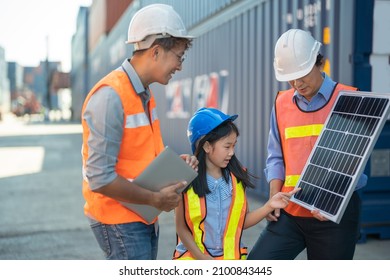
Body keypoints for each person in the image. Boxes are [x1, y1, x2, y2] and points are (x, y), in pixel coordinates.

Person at [81, 4, 197, 260]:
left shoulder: (143, 94)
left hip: (139, 214)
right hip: (119, 220)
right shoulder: (111, 96)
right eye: (179, 57)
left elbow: (137, 157)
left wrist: (173, 169)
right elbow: (100, 178)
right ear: (156, 52)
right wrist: (155, 198)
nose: (180, 66)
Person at [248, 29, 368, 260]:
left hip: (334, 215)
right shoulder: (281, 103)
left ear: (318, 62)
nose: (296, 83)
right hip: (290, 211)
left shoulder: (350, 98)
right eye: (290, 77)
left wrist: (332, 201)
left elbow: (356, 165)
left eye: (302, 74)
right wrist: (273, 197)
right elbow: (275, 156)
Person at [173, 107, 299, 260]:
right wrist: (201, 257)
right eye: (227, 146)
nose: (231, 152)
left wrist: (269, 206)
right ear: (206, 146)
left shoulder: (237, 179)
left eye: (234, 145)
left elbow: (241, 222)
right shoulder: (186, 180)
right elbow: (181, 227)